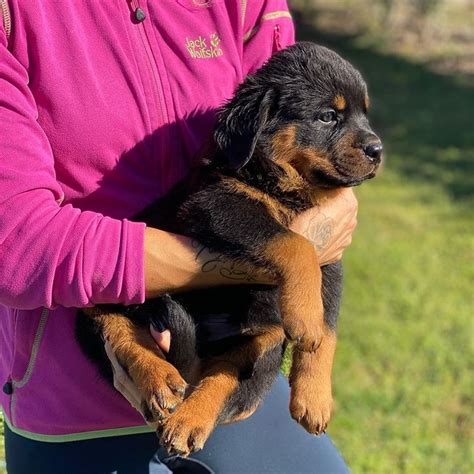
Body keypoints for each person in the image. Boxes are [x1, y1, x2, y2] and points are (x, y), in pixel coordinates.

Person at [0, 1, 357, 472]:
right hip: (76, 397)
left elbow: (303, 146)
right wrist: (268, 259)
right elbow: (16, 244)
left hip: (233, 374)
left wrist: (332, 196)